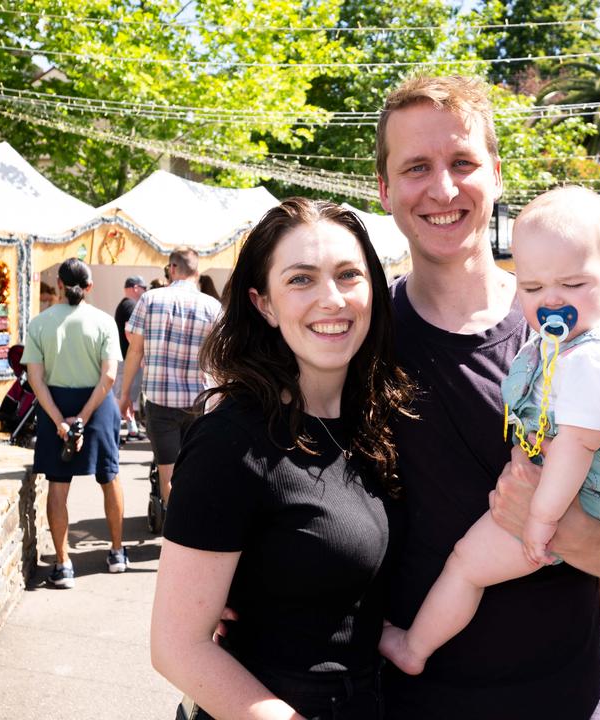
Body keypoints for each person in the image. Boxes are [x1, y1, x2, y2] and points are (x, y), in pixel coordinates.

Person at [374, 74, 600, 719]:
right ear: (384, 187)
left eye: (462, 162)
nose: (442, 187)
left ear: (494, 173)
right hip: (411, 704)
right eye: (415, 167)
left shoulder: (581, 331)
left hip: (570, 698)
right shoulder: (357, 341)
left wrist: (562, 530)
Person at [150, 198, 415, 719]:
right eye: (301, 280)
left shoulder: (377, 422)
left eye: (348, 275)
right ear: (263, 303)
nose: (332, 299)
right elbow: (177, 647)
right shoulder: (231, 441)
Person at [24, 259, 127, 588]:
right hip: (96, 407)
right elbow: (109, 375)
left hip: (55, 405)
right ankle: (116, 552)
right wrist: (82, 418)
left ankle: (63, 563)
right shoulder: (103, 322)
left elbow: (36, 381)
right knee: (109, 478)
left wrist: (60, 421)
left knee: (58, 485)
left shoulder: (39, 324)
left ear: (58, 285)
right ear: (90, 287)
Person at [118, 247, 222, 508]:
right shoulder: (212, 306)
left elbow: (135, 350)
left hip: (159, 401)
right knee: (195, 472)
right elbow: (221, 361)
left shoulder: (150, 299)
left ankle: (174, 535)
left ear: (172, 269)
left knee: (168, 475)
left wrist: (125, 395)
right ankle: (193, 530)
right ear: (197, 272)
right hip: (199, 402)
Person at [115, 275, 146, 439]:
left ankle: (131, 427)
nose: (144, 292)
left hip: (126, 358)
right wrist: (139, 352)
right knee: (123, 396)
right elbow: (130, 332)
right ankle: (114, 430)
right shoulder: (131, 305)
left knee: (125, 396)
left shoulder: (125, 304)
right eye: (144, 288)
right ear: (135, 287)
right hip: (128, 359)